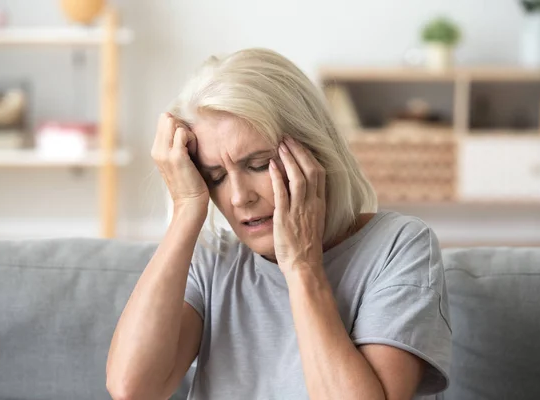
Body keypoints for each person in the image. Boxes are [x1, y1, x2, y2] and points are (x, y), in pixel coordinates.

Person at [106, 48, 452, 400]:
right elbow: (132, 390)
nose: (239, 197)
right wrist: (185, 208)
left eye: (258, 165)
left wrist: (303, 267)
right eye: (215, 176)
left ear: (315, 152)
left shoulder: (399, 247)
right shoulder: (213, 257)